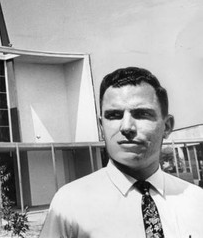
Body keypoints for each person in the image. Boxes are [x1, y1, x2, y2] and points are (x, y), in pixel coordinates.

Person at [40, 67, 203, 238]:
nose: (126, 127)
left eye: (141, 114)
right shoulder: (69, 204)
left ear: (167, 126)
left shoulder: (197, 201)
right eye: (114, 115)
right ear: (101, 126)